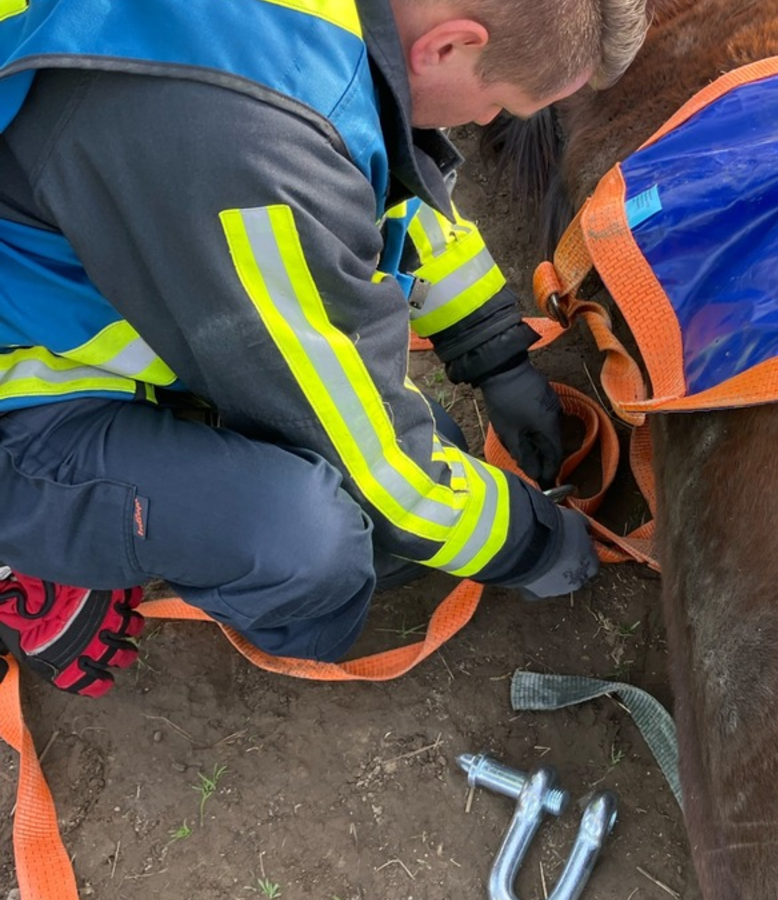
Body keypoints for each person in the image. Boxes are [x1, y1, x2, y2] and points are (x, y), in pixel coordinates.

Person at [0, 0, 649, 697]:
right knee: (311, 545)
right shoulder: (249, 156)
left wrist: (494, 349)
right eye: (500, 104)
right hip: (30, 388)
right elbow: (367, 457)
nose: (485, 120)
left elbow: (381, 173)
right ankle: (41, 543)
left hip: (97, 280)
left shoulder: (334, 32)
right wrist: (529, 543)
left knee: (421, 457)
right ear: (449, 44)